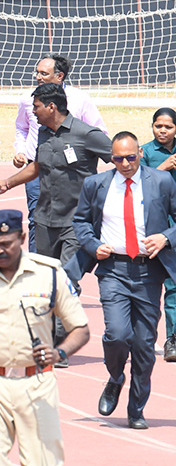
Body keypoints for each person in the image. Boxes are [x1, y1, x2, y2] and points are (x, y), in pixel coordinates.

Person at [0, 210, 90, 464]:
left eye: (5, 244)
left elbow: (81, 329)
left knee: (44, 461)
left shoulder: (50, 273)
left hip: (36, 384)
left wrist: (59, 353)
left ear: (22, 238)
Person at [67, 131, 176, 430]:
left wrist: (165, 238)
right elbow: (81, 222)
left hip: (148, 272)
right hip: (113, 269)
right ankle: (115, 377)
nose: (125, 164)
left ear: (140, 152)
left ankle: (136, 408)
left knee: (143, 344)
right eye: (117, 159)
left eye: (130, 157)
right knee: (116, 334)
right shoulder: (97, 184)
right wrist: (92, 245)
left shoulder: (162, 182)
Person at [0, 83, 113, 300]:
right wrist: (7, 183)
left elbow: (122, 159)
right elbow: (37, 166)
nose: (33, 112)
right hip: (45, 220)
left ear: (51, 107)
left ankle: (65, 328)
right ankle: (52, 328)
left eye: (36, 107)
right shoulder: (43, 133)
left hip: (76, 222)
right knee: (45, 279)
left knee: (65, 279)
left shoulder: (87, 134)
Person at [12, 54, 106, 252]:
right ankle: (38, 270)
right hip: (37, 171)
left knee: (72, 226)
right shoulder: (28, 100)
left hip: (71, 179)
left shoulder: (80, 101)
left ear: (60, 76)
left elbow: (102, 138)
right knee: (36, 220)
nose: (38, 76)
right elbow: (21, 127)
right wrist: (20, 151)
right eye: (37, 72)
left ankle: (66, 274)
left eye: (44, 73)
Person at [140, 106, 176, 360]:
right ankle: (141, 337)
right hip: (154, 227)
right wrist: (161, 168)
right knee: (148, 285)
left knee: (174, 285)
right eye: (158, 126)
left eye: (168, 126)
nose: (162, 130)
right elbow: (135, 184)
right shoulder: (145, 152)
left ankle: (172, 340)